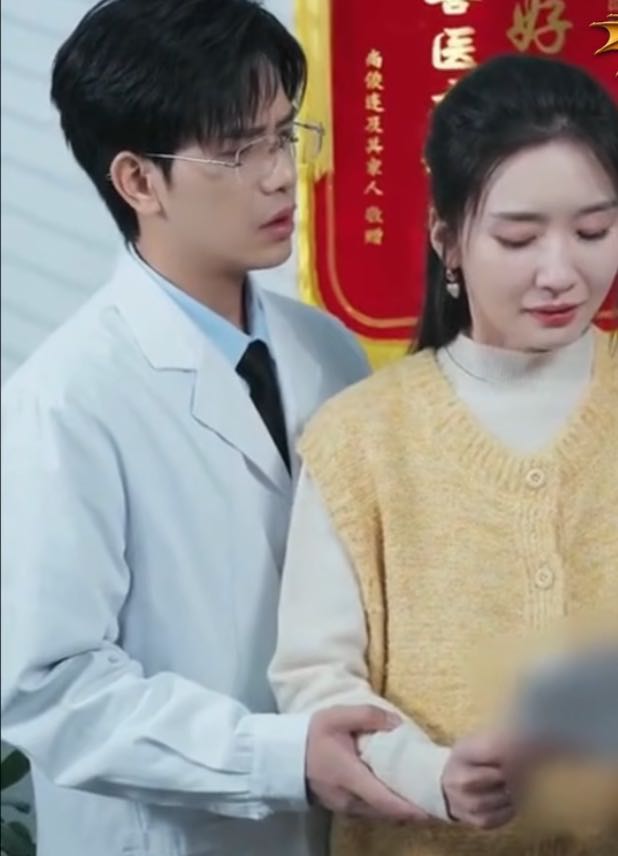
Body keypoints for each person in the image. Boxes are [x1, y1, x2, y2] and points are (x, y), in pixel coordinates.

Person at [0, 2, 424, 855]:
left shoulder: (326, 349)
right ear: (137, 181)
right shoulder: (66, 400)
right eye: (238, 150)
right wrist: (277, 758)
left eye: (283, 135)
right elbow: (51, 688)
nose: (279, 176)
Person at [270, 53, 618, 856]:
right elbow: (314, 681)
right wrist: (432, 776)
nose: (561, 271)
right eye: (518, 237)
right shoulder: (360, 438)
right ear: (448, 240)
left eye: (594, 231)